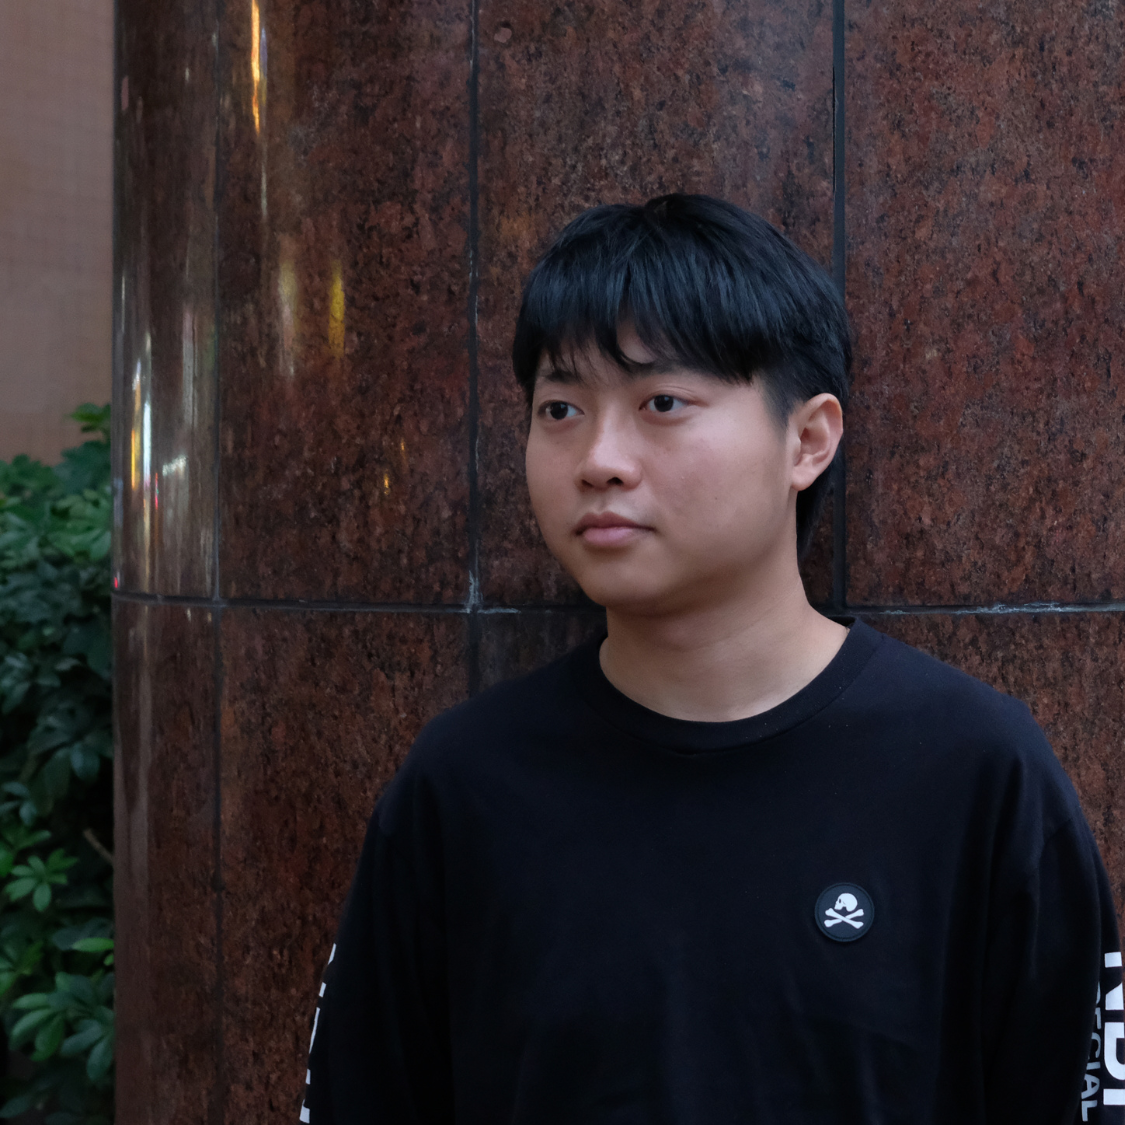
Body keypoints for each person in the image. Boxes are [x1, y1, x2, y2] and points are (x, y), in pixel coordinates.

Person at [300, 194, 1123, 1123]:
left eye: (662, 403)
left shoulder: (973, 768)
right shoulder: (464, 784)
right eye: (560, 408)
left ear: (806, 439)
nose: (599, 459)